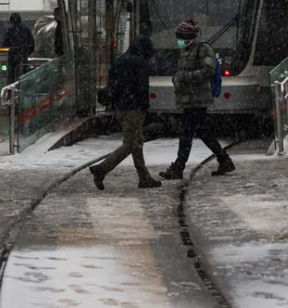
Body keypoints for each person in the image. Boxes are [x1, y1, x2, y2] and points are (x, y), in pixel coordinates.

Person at [159, 20, 234, 179]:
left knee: (186, 134)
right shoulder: (185, 50)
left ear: (188, 36)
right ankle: (224, 159)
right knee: (203, 132)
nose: (178, 41)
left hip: (197, 99)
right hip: (189, 99)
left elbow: (208, 70)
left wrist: (185, 77)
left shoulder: (203, 48)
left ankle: (178, 168)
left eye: (180, 37)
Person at [89, 36, 161, 190]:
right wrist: (145, 106)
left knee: (137, 141)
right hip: (133, 108)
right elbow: (142, 87)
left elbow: (112, 85)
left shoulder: (119, 60)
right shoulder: (141, 63)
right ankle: (102, 169)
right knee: (130, 144)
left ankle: (144, 177)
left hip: (119, 107)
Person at [3, 12, 35, 82]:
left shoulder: (10, 30)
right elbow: (31, 44)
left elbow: (5, 44)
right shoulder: (26, 30)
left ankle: (13, 86)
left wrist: (10, 50)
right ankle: (22, 86)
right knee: (23, 74)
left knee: (12, 74)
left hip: (12, 56)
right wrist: (26, 52)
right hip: (23, 55)